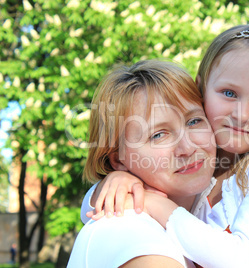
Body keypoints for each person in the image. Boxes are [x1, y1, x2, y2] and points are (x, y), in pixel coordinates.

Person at [84, 25, 249, 267]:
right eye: (229, 93)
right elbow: (94, 211)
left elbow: (241, 259)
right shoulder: (202, 169)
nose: (242, 115)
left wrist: (152, 202)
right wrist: (118, 182)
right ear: (202, 89)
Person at [67, 59, 217, 268]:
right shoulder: (128, 231)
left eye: (194, 121)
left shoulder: (226, 201)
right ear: (118, 160)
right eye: (158, 135)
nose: (188, 147)